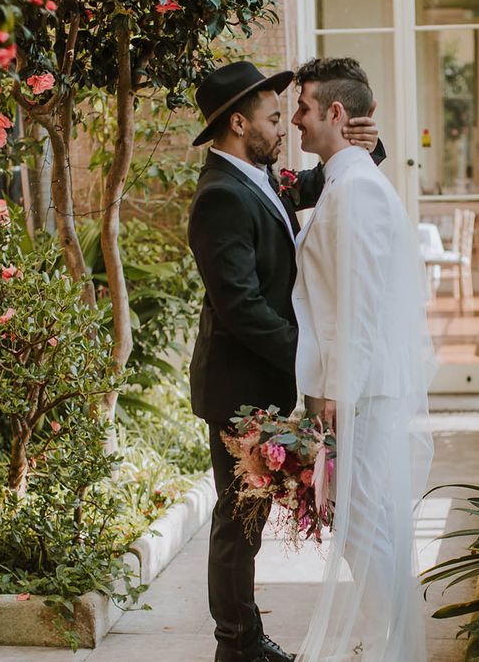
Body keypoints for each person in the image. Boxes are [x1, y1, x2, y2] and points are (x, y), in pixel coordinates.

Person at [187, 60, 385, 662]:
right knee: (235, 523)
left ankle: (244, 640)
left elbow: (313, 188)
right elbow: (241, 306)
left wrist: (365, 149)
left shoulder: (256, 176)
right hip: (237, 385)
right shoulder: (220, 195)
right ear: (240, 122)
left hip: (259, 380)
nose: (283, 127)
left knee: (245, 519)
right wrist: (313, 359)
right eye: (276, 117)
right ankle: (237, 645)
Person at [290, 58, 436, 662]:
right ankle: (388, 644)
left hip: (361, 391)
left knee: (364, 526)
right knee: (361, 525)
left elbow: (363, 303)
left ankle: (385, 647)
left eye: (303, 107)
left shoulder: (356, 191)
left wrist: (335, 394)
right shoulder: (342, 184)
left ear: (336, 113)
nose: (295, 120)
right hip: (355, 387)